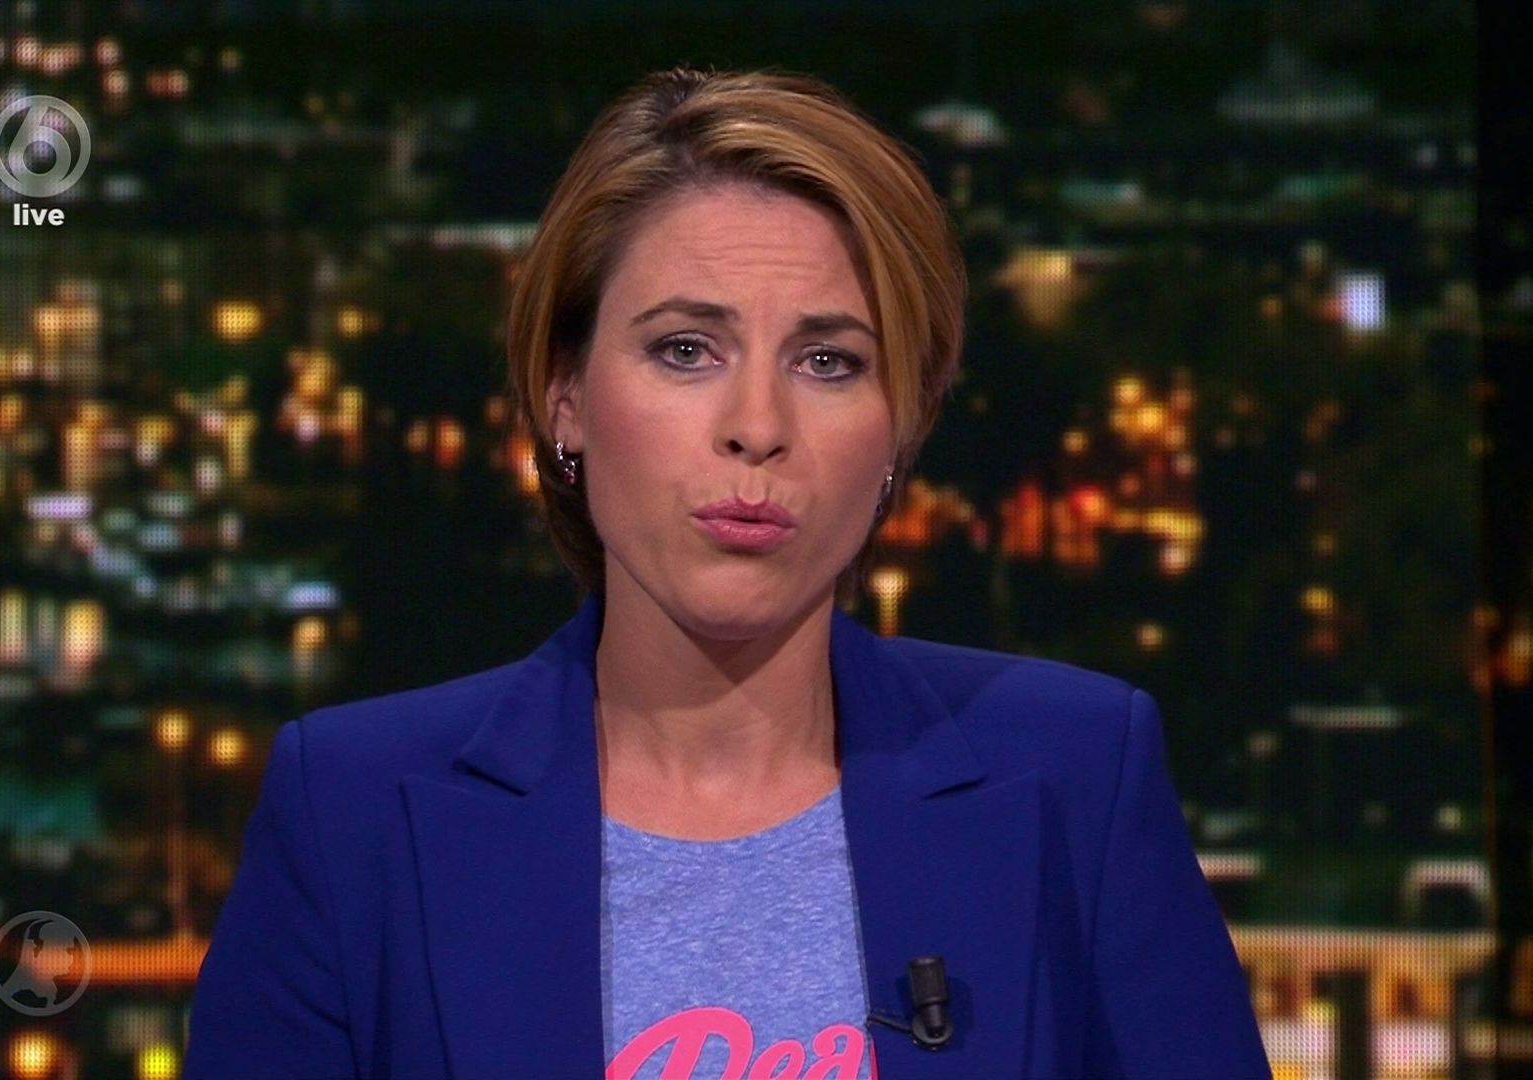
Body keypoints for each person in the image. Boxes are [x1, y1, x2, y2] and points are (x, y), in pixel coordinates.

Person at [184, 66, 1269, 1080]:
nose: (757, 425)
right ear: (565, 395)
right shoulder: (350, 815)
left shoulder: (1079, 779)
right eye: (686, 350)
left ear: (902, 427)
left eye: (829, 362)